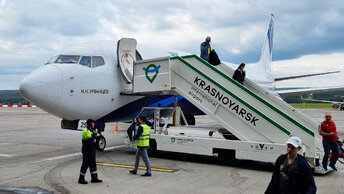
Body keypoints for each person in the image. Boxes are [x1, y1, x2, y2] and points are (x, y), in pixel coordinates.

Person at [78, 119, 102, 184]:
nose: (94, 124)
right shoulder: (86, 131)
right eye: (93, 123)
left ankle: (94, 178)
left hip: (92, 150)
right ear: (90, 124)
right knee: (85, 164)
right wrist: (94, 134)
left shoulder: (92, 130)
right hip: (87, 151)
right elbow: (90, 139)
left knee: (93, 164)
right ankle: (81, 179)